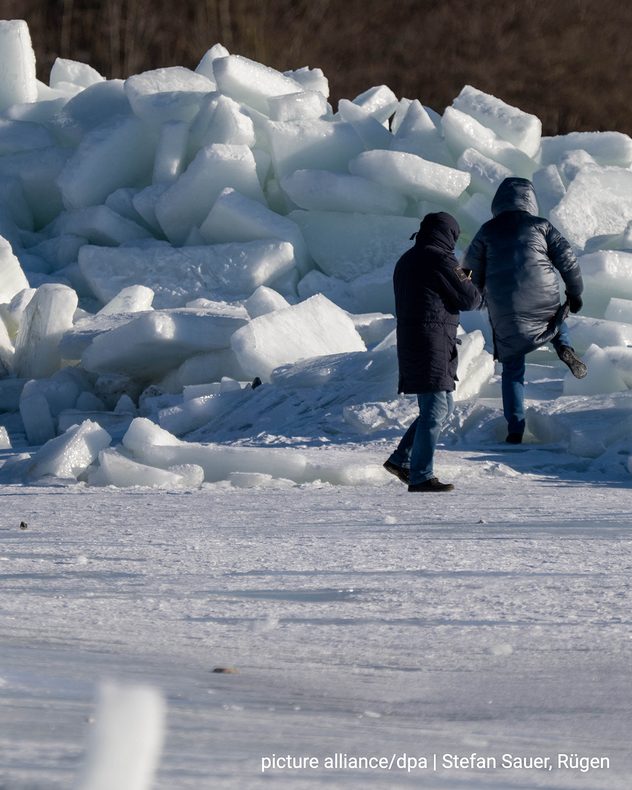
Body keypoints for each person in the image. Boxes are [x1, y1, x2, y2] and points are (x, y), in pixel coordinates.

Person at [464, 177, 586, 444]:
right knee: (555, 318)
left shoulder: (487, 231)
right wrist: (574, 292)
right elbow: (567, 259)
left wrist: (476, 295)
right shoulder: (541, 225)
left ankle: (515, 428)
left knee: (512, 367)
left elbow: (469, 269)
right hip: (541, 291)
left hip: (504, 304)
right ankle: (564, 347)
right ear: (530, 200)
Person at [384, 212, 482, 492]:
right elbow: (470, 299)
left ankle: (401, 459)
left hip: (416, 339)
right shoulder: (441, 259)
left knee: (442, 406)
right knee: (436, 408)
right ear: (449, 235)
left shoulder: (407, 259)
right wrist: (467, 276)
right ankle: (420, 476)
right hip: (432, 341)